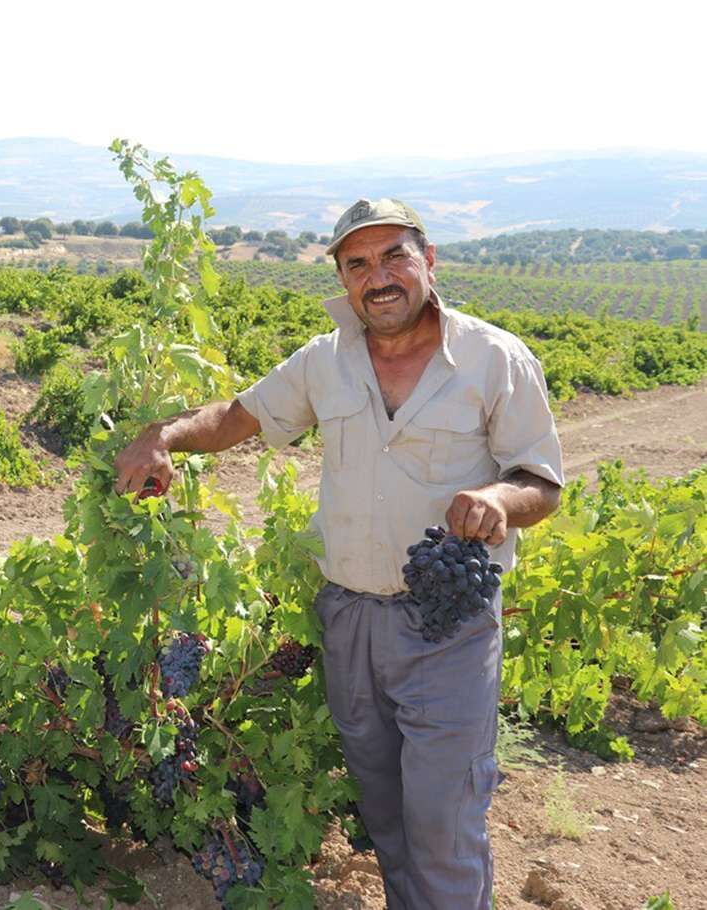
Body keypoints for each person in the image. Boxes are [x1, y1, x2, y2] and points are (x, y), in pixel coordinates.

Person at [114, 198, 563, 909]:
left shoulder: (494, 359)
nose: (377, 276)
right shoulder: (324, 362)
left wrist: (500, 502)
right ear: (343, 278)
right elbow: (237, 417)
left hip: (446, 628)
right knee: (385, 815)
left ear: (429, 261)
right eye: (358, 264)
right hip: (350, 620)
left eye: (394, 257)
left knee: (445, 822)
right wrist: (159, 435)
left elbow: (542, 484)